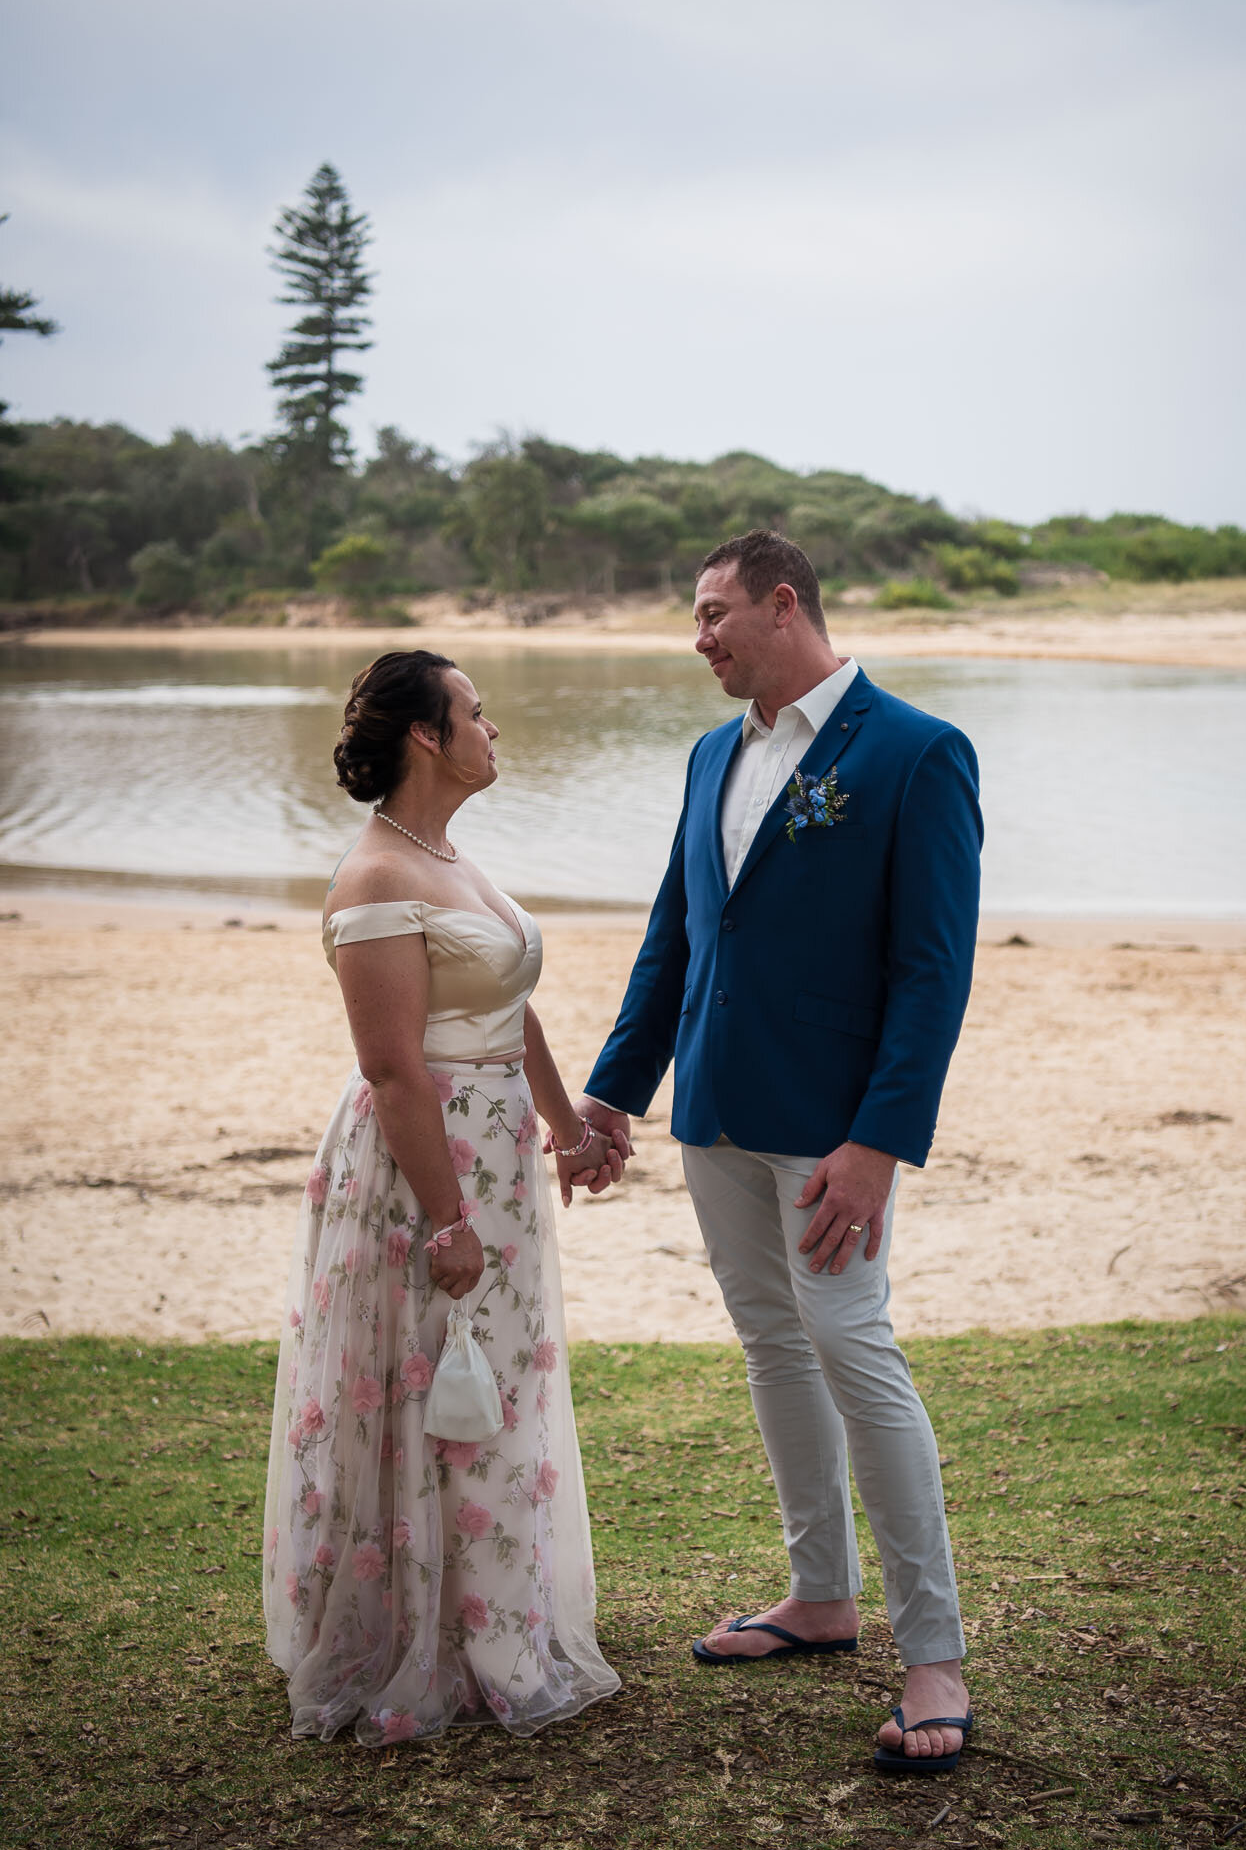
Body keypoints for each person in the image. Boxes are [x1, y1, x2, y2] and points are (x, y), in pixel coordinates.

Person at [579, 530, 982, 1774]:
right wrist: (612, 1094)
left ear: (782, 602)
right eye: (694, 618)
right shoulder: (711, 752)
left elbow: (931, 970)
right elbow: (674, 935)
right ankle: (819, 1594)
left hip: (830, 1130)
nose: (696, 637)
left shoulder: (916, 751)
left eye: (711, 614)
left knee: (853, 1346)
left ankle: (934, 1652)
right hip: (713, 1107)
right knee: (770, 1343)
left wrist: (876, 1142)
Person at [263, 649, 621, 1744]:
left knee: (492, 1375)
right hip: (426, 1163)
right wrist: (447, 1215)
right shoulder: (375, 877)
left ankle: (489, 1611)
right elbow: (393, 1067)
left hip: (499, 1154)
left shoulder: (451, 858)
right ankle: (409, 1626)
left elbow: (508, 1007)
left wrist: (567, 1121)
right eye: (475, 711)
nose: (493, 727)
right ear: (426, 734)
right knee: (419, 1375)